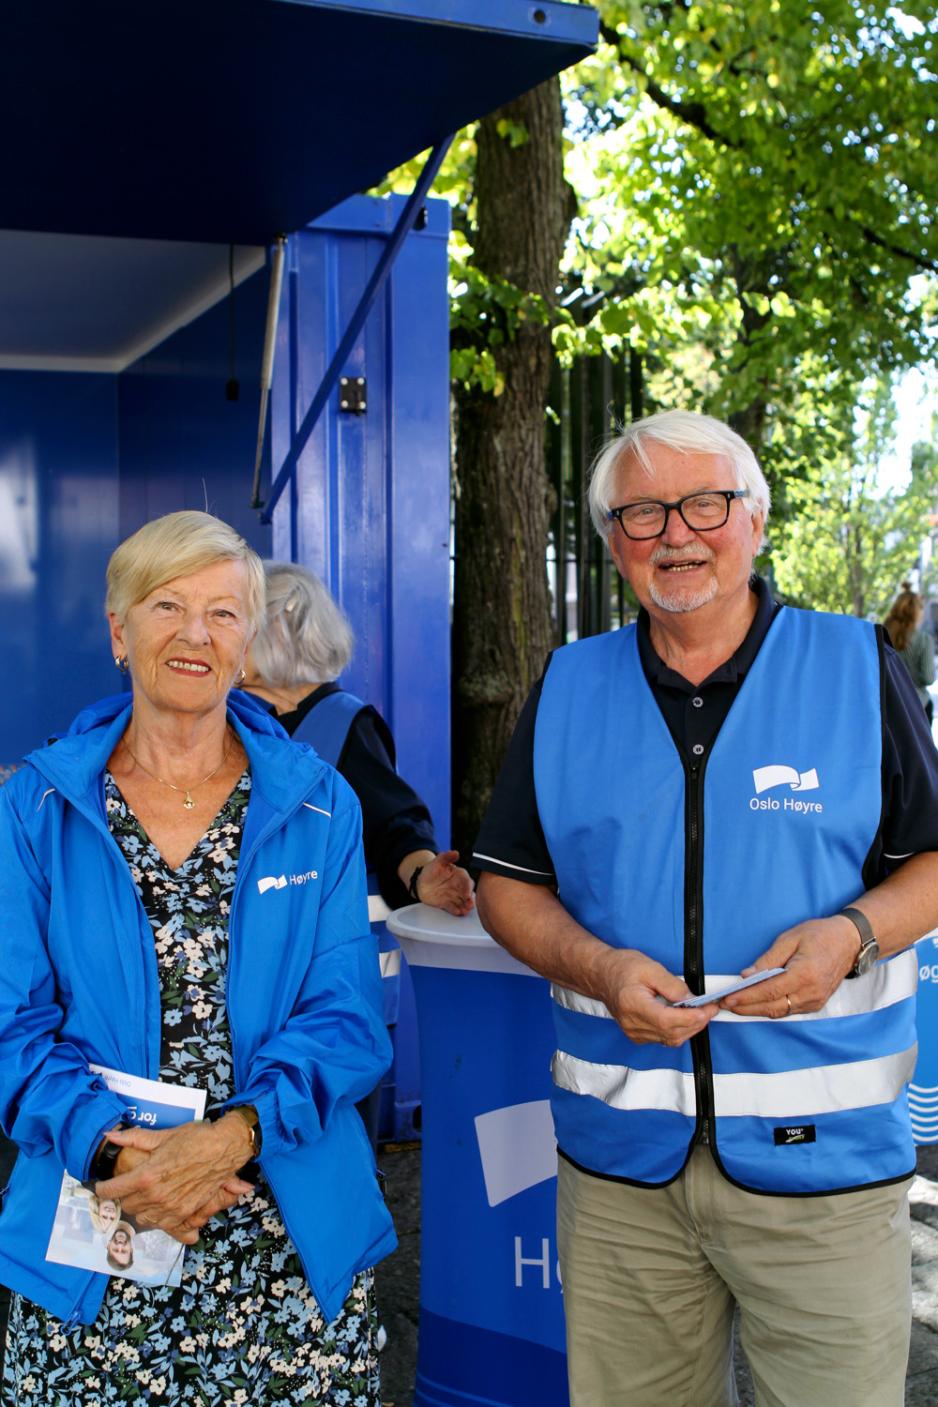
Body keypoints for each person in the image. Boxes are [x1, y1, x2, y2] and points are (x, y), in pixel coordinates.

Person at [473, 410, 938, 1407]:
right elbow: (504, 884)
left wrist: (852, 935)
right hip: (618, 1177)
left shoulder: (854, 666)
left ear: (755, 521)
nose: (674, 533)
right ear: (610, 541)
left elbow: (931, 862)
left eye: (703, 504)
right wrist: (596, 968)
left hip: (826, 1178)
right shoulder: (567, 686)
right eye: (640, 513)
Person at [0, 510, 394, 1406]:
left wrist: (230, 1137)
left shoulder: (319, 801)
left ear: (248, 641)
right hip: (98, 1229)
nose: (194, 633)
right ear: (118, 630)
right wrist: (115, 1155)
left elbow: (346, 1017)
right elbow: (10, 1024)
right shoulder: (36, 809)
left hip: (283, 1238)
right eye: (167, 604)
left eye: (222, 613)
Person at [243, 560, 474, 917]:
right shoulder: (255, 722)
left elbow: (396, 826)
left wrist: (420, 874)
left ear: (280, 632)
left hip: (329, 949)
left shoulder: (343, 723)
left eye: (237, 622)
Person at [885, 583, 935, 723]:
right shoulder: (925, 640)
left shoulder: (881, 635)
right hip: (918, 706)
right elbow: (928, 678)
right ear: (916, 612)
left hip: (888, 705)